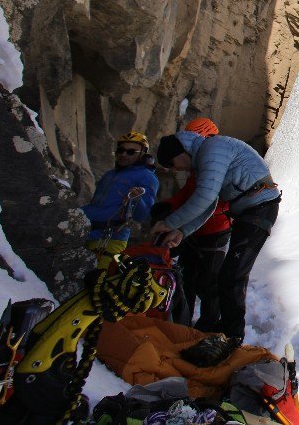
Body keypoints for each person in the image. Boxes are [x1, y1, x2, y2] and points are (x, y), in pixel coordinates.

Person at [150, 128, 281, 341]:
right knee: (229, 276)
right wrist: (182, 231)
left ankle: (232, 336)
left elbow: (204, 196)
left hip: (259, 208)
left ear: (179, 152)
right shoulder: (206, 154)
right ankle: (226, 333)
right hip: (252, 210)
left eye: (173, 164)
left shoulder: (212, 149)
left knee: (232, 276)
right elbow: (210, 205)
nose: (176, 169)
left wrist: (169, 223)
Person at [151, 117, 233, 331]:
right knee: (187, 278)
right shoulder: (200, 165)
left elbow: (211, 199)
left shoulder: (216, 164)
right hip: (194, 230)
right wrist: (169, 205)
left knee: (208, 283)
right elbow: (189, 192)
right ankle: (182, 323)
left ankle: (208, 325)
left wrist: (176, 215)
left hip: (214, 230)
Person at [81, 131, 159, 269]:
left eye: (131, 152)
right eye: (121, 150)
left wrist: (136, 199)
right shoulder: (110, 174)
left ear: (142, 154)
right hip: (87, 232)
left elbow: (142, 215)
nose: (123, 154)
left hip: (110, 238)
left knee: (97, 281)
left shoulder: (147, 177)